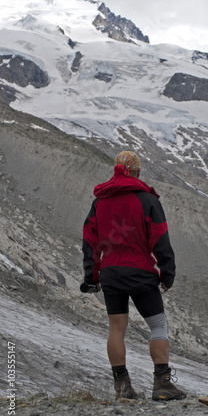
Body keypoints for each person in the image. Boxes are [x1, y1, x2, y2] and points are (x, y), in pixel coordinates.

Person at [81, 150, 186, 401]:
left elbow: (90, 241)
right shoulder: (147, 200)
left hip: (110, 273)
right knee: (158, 325)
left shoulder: (100, 202)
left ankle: (122, 388)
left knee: (116, 329)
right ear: (137, 171)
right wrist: (166, 273)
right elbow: (160, 237)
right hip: (140, 271)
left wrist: (92, 276)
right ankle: (162, 384)